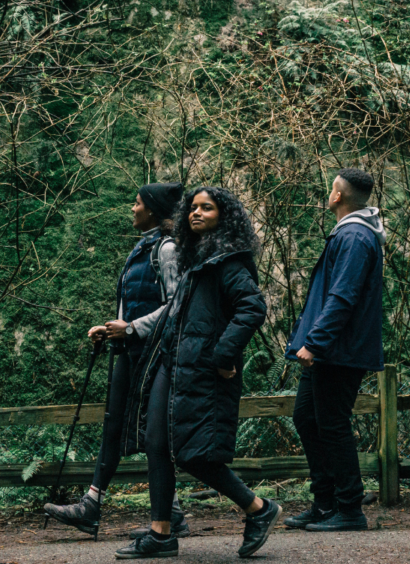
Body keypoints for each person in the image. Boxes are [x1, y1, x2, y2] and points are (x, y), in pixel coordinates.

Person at [116, 187, 279, 560]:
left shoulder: (228, 261)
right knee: (156, 444)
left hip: (203, 372)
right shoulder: (195, 258)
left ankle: (258, 508)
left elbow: (252, 308)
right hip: (172, 364)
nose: (197, 213)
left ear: (225, 216)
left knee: (193, 455)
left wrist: (222, 355)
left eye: (207, 208)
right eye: (192, 208)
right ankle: (160, 534)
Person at [43, 182, 191, 538]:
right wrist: (110, 328)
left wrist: (131, 328)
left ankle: (155, 512)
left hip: (153, 354)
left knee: (149, 431)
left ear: (153, 210)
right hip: (130, 350)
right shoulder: (143, 248)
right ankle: (103, 507)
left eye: (137, 203)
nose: (132, 208)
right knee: (114, 422)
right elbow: (132, 299)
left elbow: (177, 304)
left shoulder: (168, 249)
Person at [282, 169, 385, 532]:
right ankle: (324, 504)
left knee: (333, 425)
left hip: (338, 350)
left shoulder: (356, 236)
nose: (329, 193)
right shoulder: (349, 233)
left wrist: (315, 342)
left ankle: (349, 509)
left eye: (331, 189)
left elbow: (343, 295)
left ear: (338, 196)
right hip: (330, 348)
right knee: (307, 418)